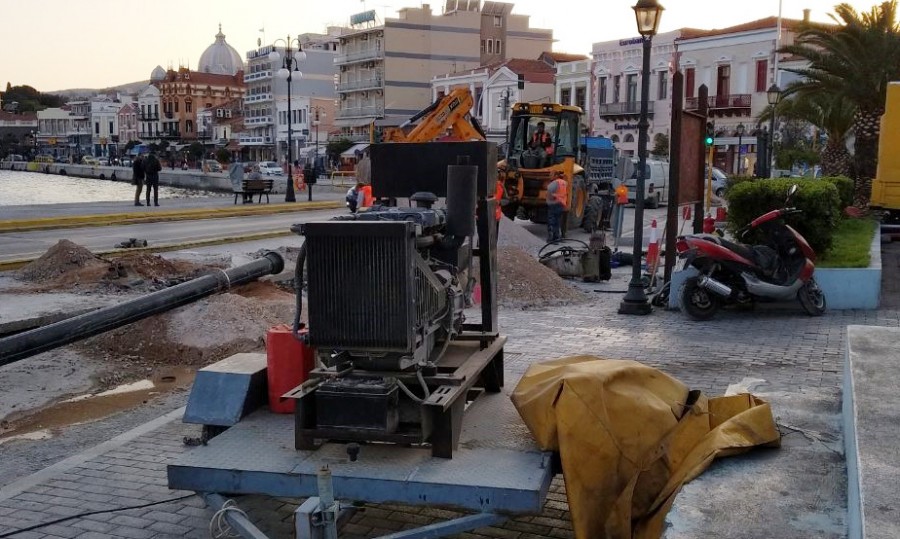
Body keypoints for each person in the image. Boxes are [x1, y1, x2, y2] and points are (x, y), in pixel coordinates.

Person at [546, 170, 569, 242]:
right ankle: (557, 238)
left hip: (554, 204)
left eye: (551, 175)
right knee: (557, 221)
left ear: (556, 176)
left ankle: (551, 238)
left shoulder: (554, 183)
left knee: (551, 221)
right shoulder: (564, 183)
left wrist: (549, 199)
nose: (550, 176)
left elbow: (549, 192)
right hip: (561, 204)